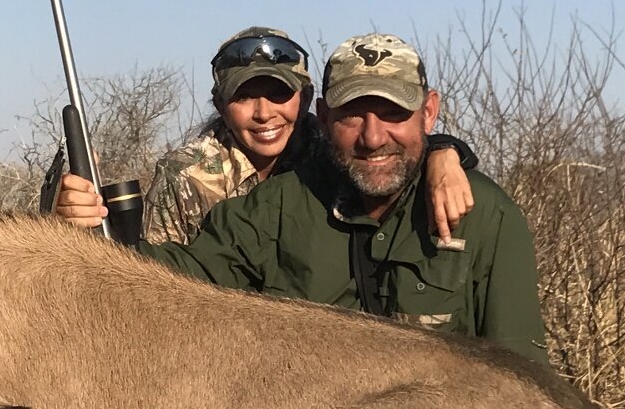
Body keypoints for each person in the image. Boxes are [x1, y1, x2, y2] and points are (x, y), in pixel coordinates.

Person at [55, 32, 549, 364]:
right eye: (353, 115)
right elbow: (162, 281)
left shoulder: (487, 215)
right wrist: (79, 236)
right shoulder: (271, 207)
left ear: (430, 111)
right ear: (325, 116)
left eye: (393, 113)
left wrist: (446, 153)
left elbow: (526, 382)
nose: (373, 137)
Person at [136, 27, 477, 245]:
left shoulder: (326, 145)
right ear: (220, 106)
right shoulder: (182, 176)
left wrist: (444, 152)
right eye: (243, 97)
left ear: (305, 98)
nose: (264, 113)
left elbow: (388, 149)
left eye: (279, 93)